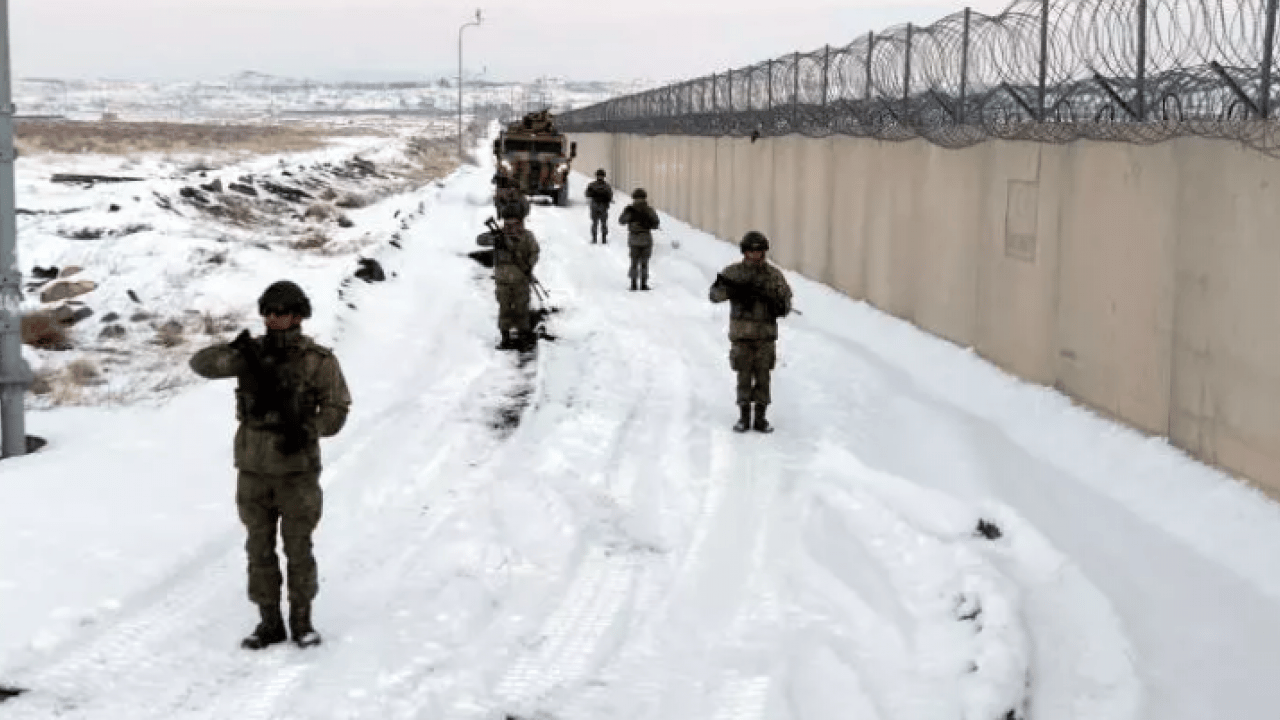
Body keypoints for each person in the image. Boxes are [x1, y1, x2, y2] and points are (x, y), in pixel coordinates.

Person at [188, 280, 352, 649]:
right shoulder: (252, 353)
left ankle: (302, 622)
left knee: (298, 548)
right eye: (267, 311)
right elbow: (201, 364)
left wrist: (308, 427)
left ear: (297, 314)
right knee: (258, 549)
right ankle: (269, 623)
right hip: (253, 470)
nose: (273, 318)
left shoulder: (318, 360)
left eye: (280, 312)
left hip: (297, 471)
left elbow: (337, 409)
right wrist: (237, 353)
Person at [709, 231, 793, 433]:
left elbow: (785, 303)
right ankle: (744, 416)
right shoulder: (733, 273)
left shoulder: (773, 275)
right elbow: (714, 295)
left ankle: (761, 418)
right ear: (744, 251)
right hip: (742, 336)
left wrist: (776, 302)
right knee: (743, 377)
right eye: (751, 250)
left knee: (763, 378)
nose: (755, 254)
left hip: (765, 336)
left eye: (759, 250)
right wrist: (731, 291)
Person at [477, 205, 542, 350]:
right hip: (502, 280)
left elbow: (535, 252)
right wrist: (494, 239)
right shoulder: (498, 236)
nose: (511, 226)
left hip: (521, 280)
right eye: (508, 223)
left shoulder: (527, 236)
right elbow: (480, 240)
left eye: (515, 223)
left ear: (521, 222)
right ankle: (505, 337)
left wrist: (528, 266)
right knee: (504, 308)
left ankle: (523, 336)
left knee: (522, 308)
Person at [618, 188, 661, 291]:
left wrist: (628, 215)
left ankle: (633, 285)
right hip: (646, 239)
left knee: (634, 263)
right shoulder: (649, 210)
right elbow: (656, 224)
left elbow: (621, 221)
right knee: (644, 263)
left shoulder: (630, 209)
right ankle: (643, 284)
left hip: (634, 239)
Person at [584, 169, 614, 244]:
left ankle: (595, 239)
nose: (600, 177)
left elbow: (587, 194)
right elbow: (610, 196)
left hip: (595, 206)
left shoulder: (592, 185)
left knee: (595, 223)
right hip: (602, 207)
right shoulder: (606, 186)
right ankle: (603, 239)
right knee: (603, 223)